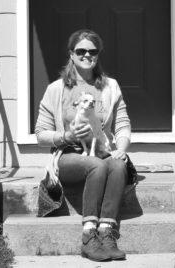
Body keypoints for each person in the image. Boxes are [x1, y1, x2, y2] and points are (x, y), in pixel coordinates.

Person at [35, 29, 132, 262]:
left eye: (92, 51)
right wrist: (66, 136)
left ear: (98, 55)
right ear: (71, 54)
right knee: (97, 166)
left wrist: (121, 148)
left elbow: (122, 124)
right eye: (81, 51)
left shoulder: (111, 87)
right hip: (68, 156)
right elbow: (40, 134)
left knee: (118, 166)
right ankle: (89, 234)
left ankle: (107, 232)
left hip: (100, 149)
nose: (87, 55)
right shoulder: (56, 89)